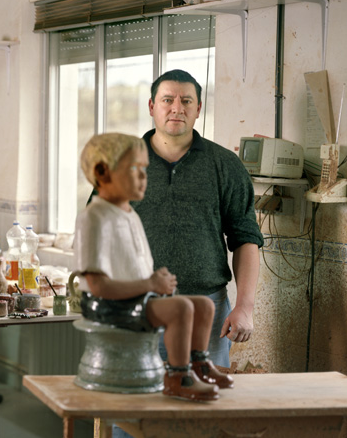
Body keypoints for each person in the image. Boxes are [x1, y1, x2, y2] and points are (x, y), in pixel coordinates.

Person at [114, 69, 264, 438]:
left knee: (206, 424)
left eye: (186, 101)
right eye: (167, 100)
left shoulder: (224, 165)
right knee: (126, 419)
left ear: (198, 110)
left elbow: (247, 239)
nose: (176, 108)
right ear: (151, 107)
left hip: (207, 314)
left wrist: (246, 307)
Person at [75, 133, 234, 404]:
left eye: (145, 170)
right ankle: (177, 376)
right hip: (109, 304)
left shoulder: (130, 214)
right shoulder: (95, 217)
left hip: (136, 297)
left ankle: (199, 365)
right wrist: (150, 285)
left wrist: (156, 281)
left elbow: (136, 268)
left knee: (205, 306)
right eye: (134, 170)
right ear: (102, 172)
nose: (143, 178)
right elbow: (99, 286)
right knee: (181, 309)